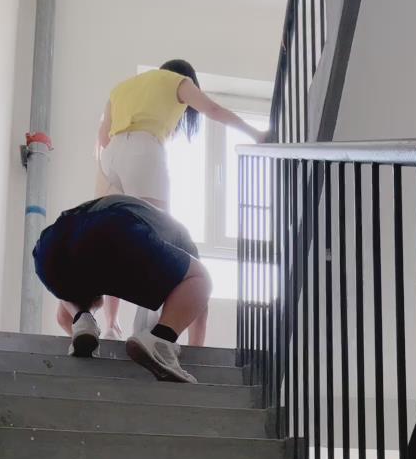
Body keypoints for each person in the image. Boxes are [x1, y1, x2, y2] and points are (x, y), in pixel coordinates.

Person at [54, 59, 265, 347]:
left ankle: (112, 324)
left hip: (110, 157)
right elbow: (213, 110)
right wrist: (256, 134)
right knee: (156, 235)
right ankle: (147, 328)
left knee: (110, 238)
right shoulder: (177, 82)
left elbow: (103, 136)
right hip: (144, 150)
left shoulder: (121, 89)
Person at [34, 195, 210, 384]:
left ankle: (82, 319)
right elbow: (198, 302)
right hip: (114, 230)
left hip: (49, 247)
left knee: (75, 288)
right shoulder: (180, 236)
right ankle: (161, 341)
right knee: (201, 278)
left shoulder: (128, 210)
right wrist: (195, 355)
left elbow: (62, 317)